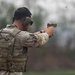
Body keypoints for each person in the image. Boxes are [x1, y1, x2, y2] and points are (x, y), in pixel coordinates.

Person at [0, 7, 55, 75]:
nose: (30, 25)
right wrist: (47, 33)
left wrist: (42, 31)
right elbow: (38, 41)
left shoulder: (3, 32)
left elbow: (24, 38)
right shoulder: (21, 36)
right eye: (30, 22)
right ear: (26, 21)